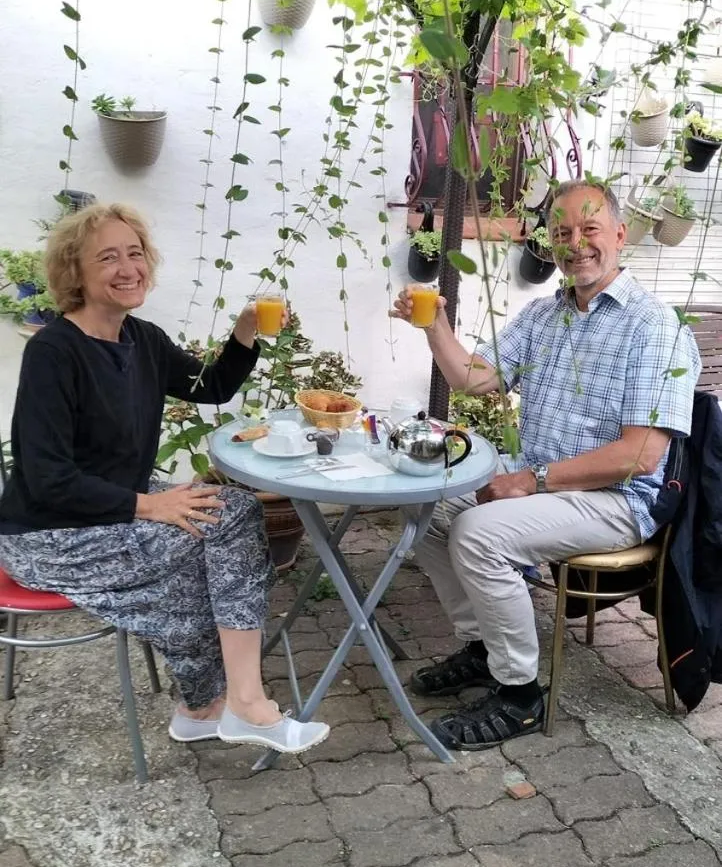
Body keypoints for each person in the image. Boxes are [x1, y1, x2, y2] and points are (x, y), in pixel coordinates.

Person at [0, 203, 329, 755]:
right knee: (220, 539)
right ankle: (234, 705)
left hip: (112, 510)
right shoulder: (54, 352)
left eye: (135, 253)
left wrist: (246, 330)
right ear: (74, 271)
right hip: (47, 534)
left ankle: (209, 708)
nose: (128, 268)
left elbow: (211, 386)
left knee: (230, 519)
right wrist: (151, 506)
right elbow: (48, 477)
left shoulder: (143, 339)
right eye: (108, 257)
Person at [392, 181, 700, 749]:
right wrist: (434, 325)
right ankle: (484, 647)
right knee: (423, 505)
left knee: (479, 533)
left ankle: (520, 697)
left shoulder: (654, 327)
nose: (575, 243)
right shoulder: (544, 314)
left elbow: (640, 455)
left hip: (616, 499)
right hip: (543, 481)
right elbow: (476, 380)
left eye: (589, 229)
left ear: (619, 235)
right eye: (562, 233)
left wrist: (531, 481)